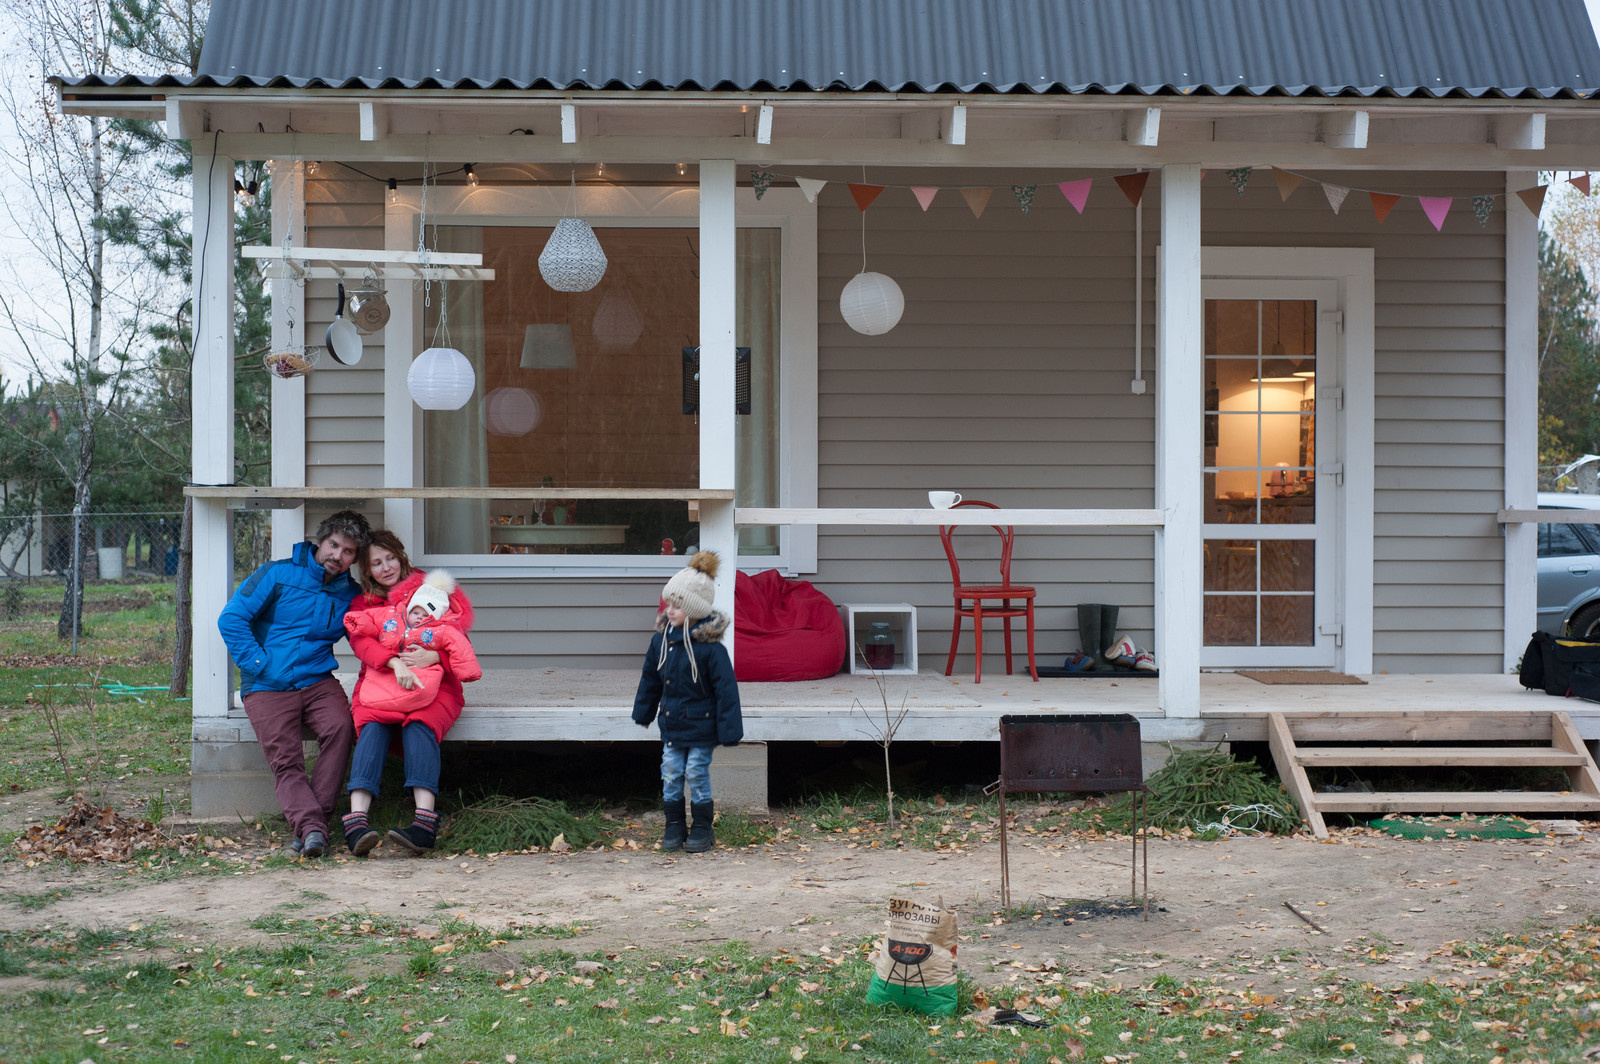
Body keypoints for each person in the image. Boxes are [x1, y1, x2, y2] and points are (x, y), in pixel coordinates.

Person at [217, 509, 372, 859]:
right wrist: (260, 664)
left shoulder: (350, 594)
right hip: (267, 685)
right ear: (321, 540)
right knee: (286, 759)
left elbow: (366, 637)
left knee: (341, 729)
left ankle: (312, 828)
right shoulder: (277, 573)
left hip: (317, 681)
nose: (338, 555)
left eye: (348, 551)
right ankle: (314, 829)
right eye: (334, 545)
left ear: (355, 558)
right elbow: (232, 618)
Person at [341, 531, 475, 855]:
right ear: (366, 570)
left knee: (419, 724)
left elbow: (459, 642)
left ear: (401, 557)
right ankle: (356, 824)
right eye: (377, 563)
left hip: (435, 684)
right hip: (379, 682)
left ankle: (423, 826)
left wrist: (435, 657)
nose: (386, 567)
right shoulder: (363, 604)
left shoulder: (432, 592)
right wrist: (394, 662)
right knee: (372, 727)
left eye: (390, 558)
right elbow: (362, 644)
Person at [632, 550, 743, 853]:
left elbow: (726, 692)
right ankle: (674, 825)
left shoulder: (711, 650)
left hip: (702, 727)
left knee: (695, 771)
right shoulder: (661, 643)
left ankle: (703, 827)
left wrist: (729, 730)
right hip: (672, 724)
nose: (669, 610)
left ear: (694, 610)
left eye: (677, 605)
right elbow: (650, 680)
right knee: (670, 772)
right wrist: (644, 713)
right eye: (668, 603)